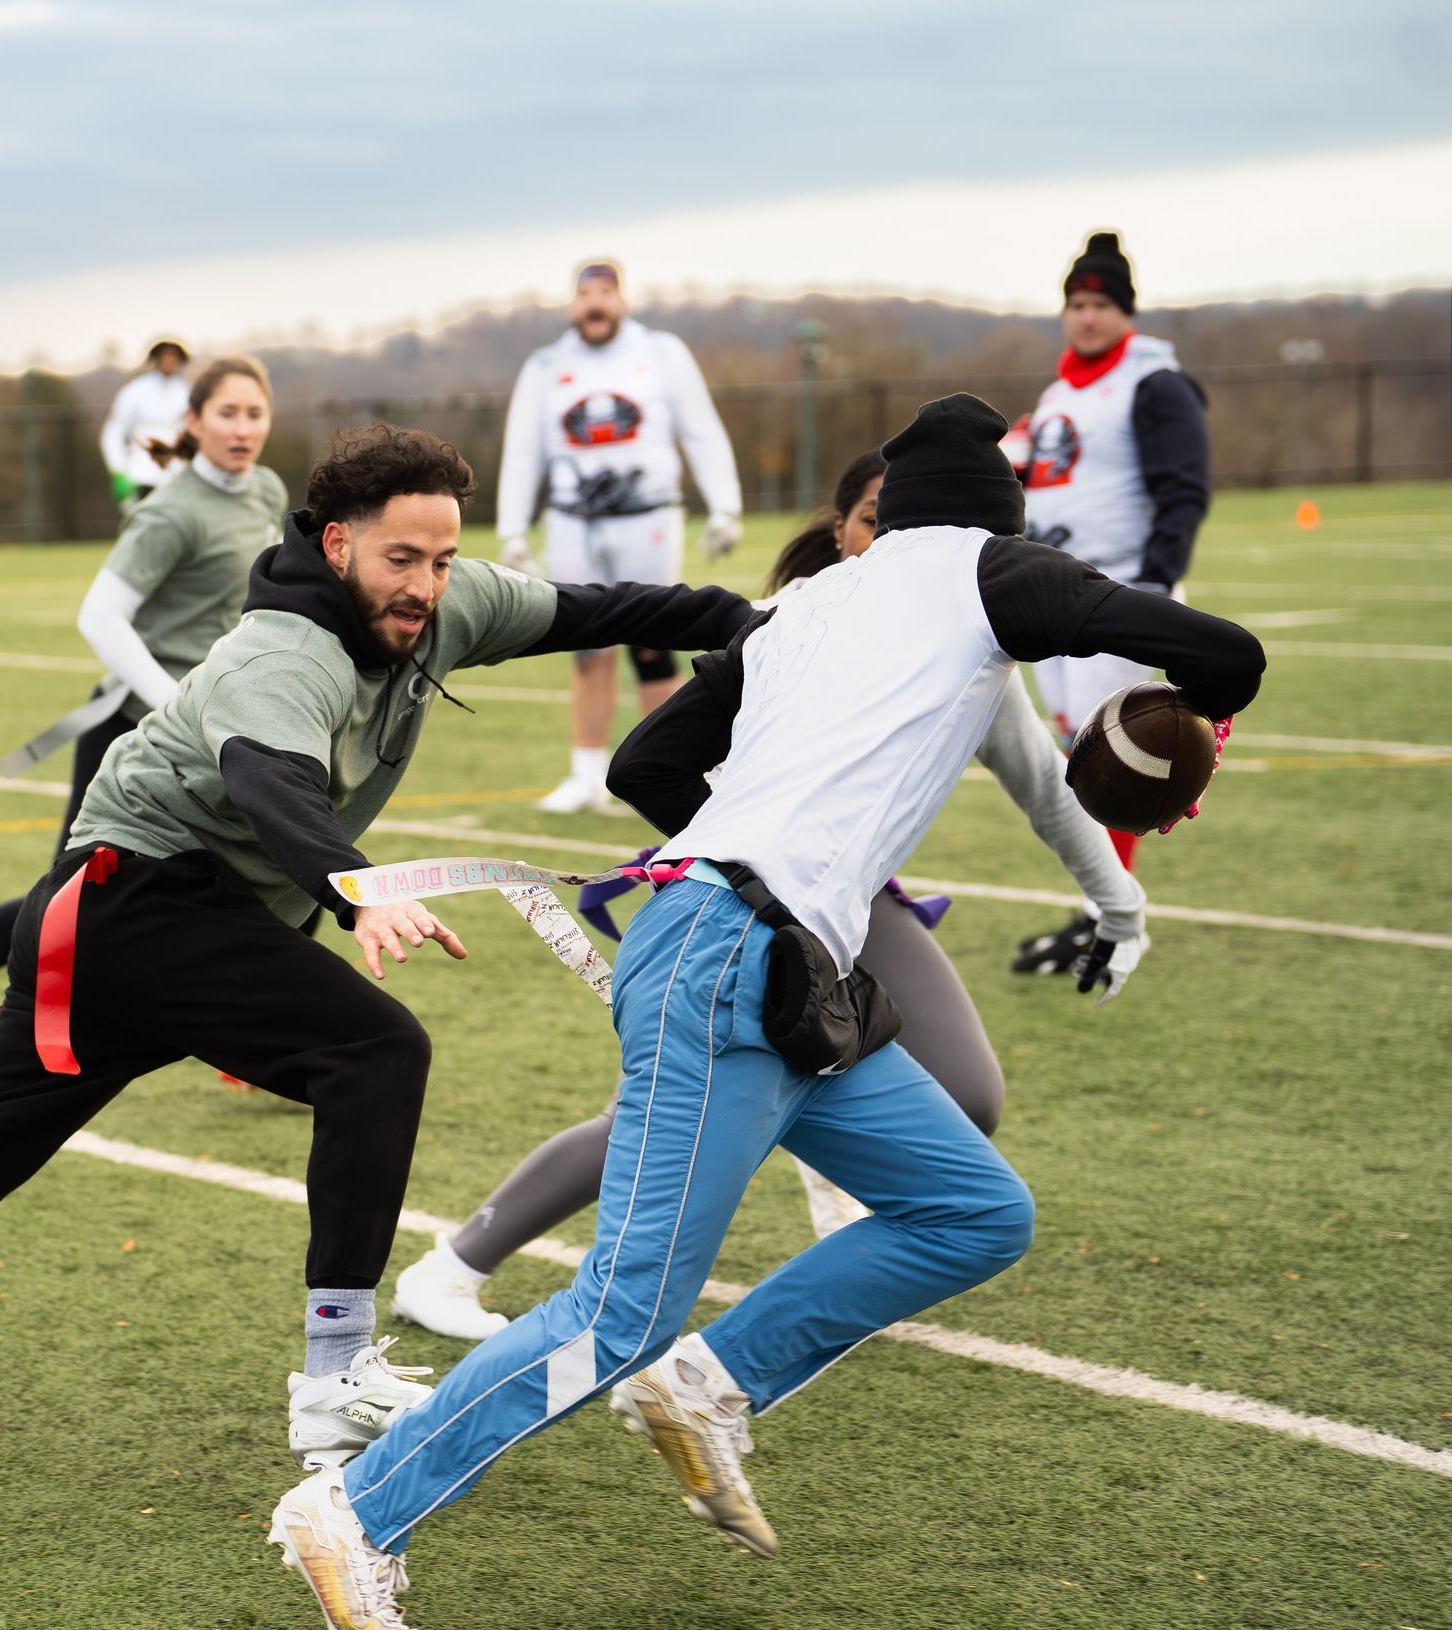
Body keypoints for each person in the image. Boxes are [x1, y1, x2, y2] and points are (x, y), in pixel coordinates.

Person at [0, 422, 752, 1484]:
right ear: (338, 543)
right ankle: (335, 1372)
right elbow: (271, 784)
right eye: (404, 559)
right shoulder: (282, 652)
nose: (428, 587)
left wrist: (765, 620)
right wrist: (355, 893)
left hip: (152, 917)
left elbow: (611, 608)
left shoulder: (446, 601)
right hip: (137, 905)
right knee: (375, 1051)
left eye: (444, 560)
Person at [270, 395, 1264, 1626]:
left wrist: (750, 837)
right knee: (616, 1315)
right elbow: (1228, 650)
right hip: (733, 956)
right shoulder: (988, 567)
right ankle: (355, 1510)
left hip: (777, 959)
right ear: (1001, 509)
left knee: (972, 1208)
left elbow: (644, 763)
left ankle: (713, 1387)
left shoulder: (813, 602)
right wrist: (1203, 726)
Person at [392, 448, 1148, 1339]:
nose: (897, 541)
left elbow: (1046, 789)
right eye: (875, 519)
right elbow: (661, 759)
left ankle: (837, 1207)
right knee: (665, 1120)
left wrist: (1120, 905)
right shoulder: (797, 620)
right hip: (737, 904)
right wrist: (753, 856)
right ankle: (452, 1265)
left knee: (970, 1093)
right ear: (841, 532)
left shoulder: (977, 642)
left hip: (856, 902)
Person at [0, 356, 285, 1102]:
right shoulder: (171, 510)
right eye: (227, 413)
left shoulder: (269, 493)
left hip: (218, 737)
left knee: (275, 869)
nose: (243, 428)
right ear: (192, 423)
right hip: (135, 739)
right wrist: (175, 705)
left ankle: (261, 1042)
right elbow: (99, 616)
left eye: (255, 413)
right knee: (64, 904)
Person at [1007, 231, 1211, 978]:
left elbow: (1183, 490)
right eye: (1076, 304)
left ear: (1124, 311)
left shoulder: (1154, 383)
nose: (1086, 318)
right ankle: (1099, 909)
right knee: (1077, 753)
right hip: (1058, 594)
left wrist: (1155, 588)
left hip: (1119, 593)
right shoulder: (1061, 392)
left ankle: (1111, 922)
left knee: (1113, 761)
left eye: (1100, 304)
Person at [497, 260, 744, 814]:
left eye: (606, 292)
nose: (596, 303)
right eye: (586, 293)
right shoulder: (546, 365)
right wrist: (514, 525)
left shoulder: (660, 353)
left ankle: (679, 763)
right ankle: (586, 774)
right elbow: (524, 449)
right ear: (571, 304)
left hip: (646, 514)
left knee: (656, 642)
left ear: (624, 299)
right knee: (583, 644)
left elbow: (699, 428)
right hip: (573, 517)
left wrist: (724, 504)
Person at [100, 338, 192, 510]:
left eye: (173, 357)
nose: (169, 362)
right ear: (155, 360)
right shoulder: (135, 391)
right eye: (164, 356)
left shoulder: (188, 393)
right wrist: (118, 470)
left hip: (178, 474)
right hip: (142, 473)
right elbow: (113, 432)